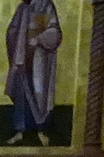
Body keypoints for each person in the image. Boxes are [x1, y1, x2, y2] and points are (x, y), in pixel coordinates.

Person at [4, 0, 63, 146]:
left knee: (39, 94)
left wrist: (37, 40)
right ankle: (20, 131)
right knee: (21, 95)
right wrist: (16, 40)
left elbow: (54, 32)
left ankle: (41, 131)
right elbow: (12, 30)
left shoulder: (46, 5)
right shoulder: (22, 8)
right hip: (22, 58)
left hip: (39, 58)